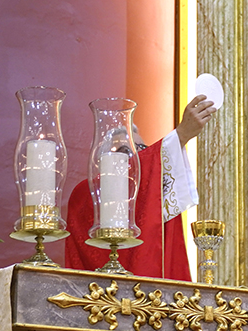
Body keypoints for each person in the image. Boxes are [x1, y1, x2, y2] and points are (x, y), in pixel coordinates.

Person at [65, 95, 215, 279]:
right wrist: (181, 134)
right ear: (102, 162)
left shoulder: (155, 192)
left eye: (143, 149)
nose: (138, 160)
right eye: (126, 152)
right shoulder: (84, 195)